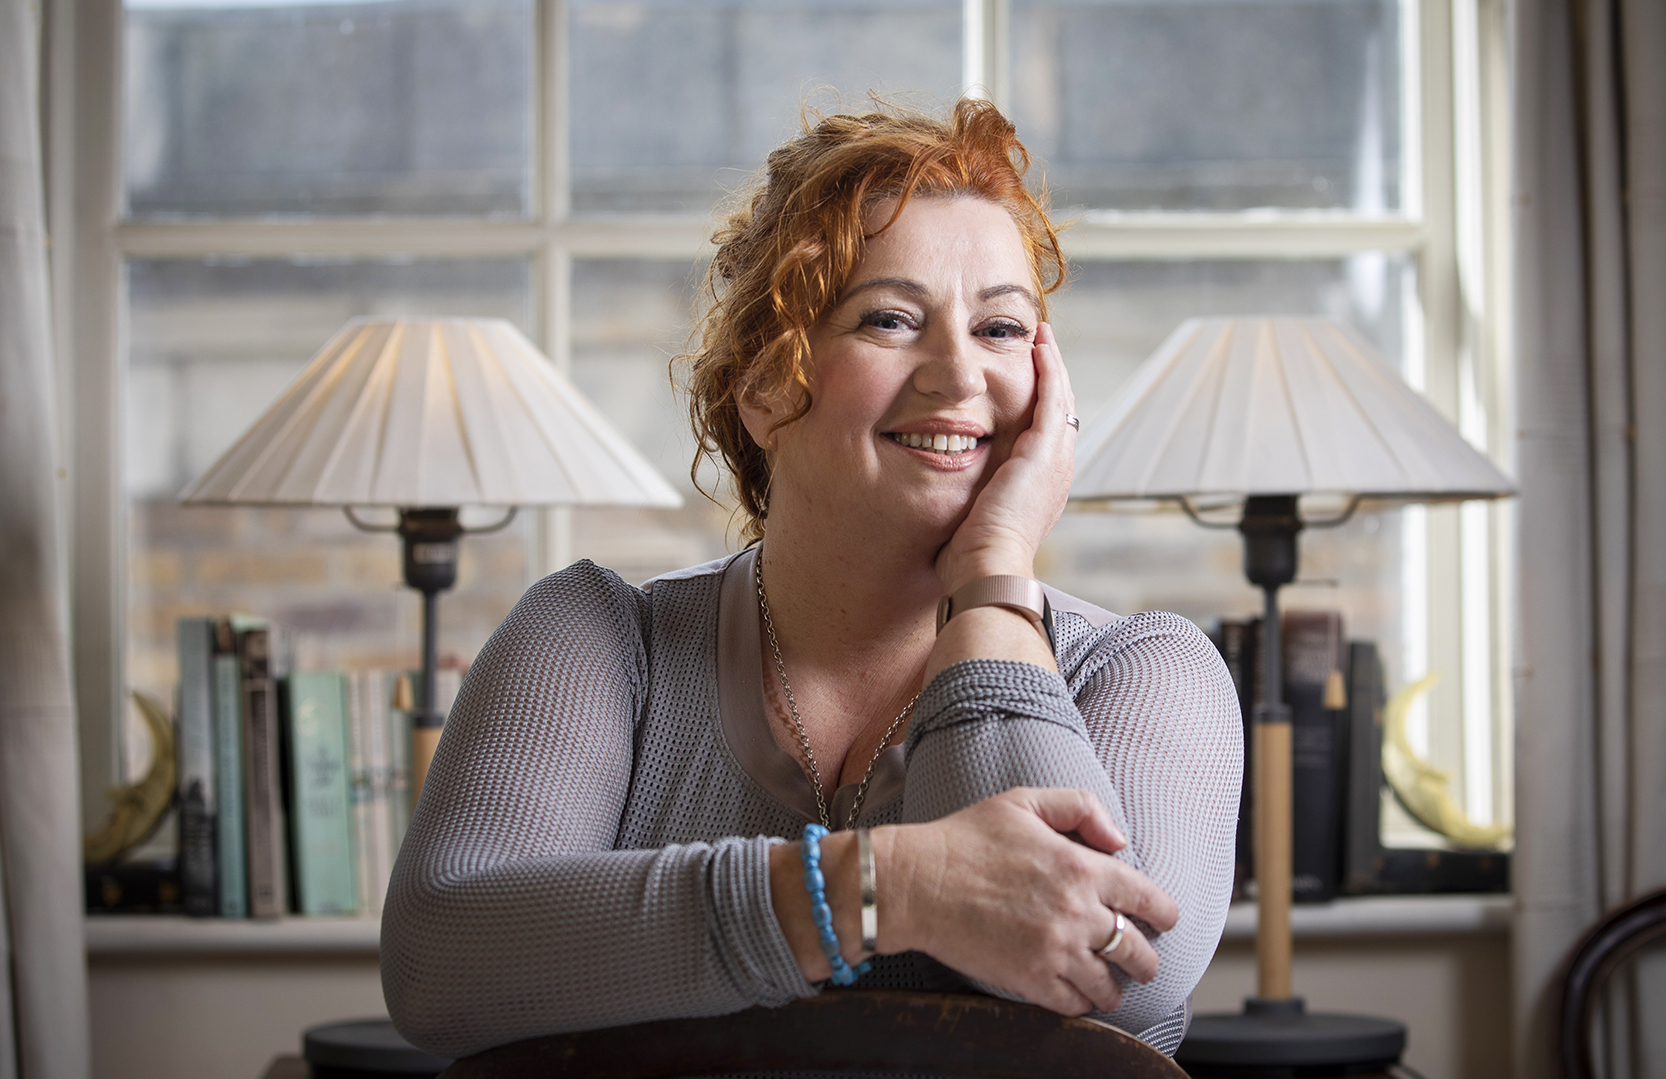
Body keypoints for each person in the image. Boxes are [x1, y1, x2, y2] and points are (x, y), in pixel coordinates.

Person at [381, 98, 1242, 1061]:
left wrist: (994, 580)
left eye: (1002, 329)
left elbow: (1101, 975)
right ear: (764, 385)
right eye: (890, 318)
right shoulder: (596, 639)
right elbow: (439, 962)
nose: (960, 376)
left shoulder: (1147, 672)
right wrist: (894, 889)